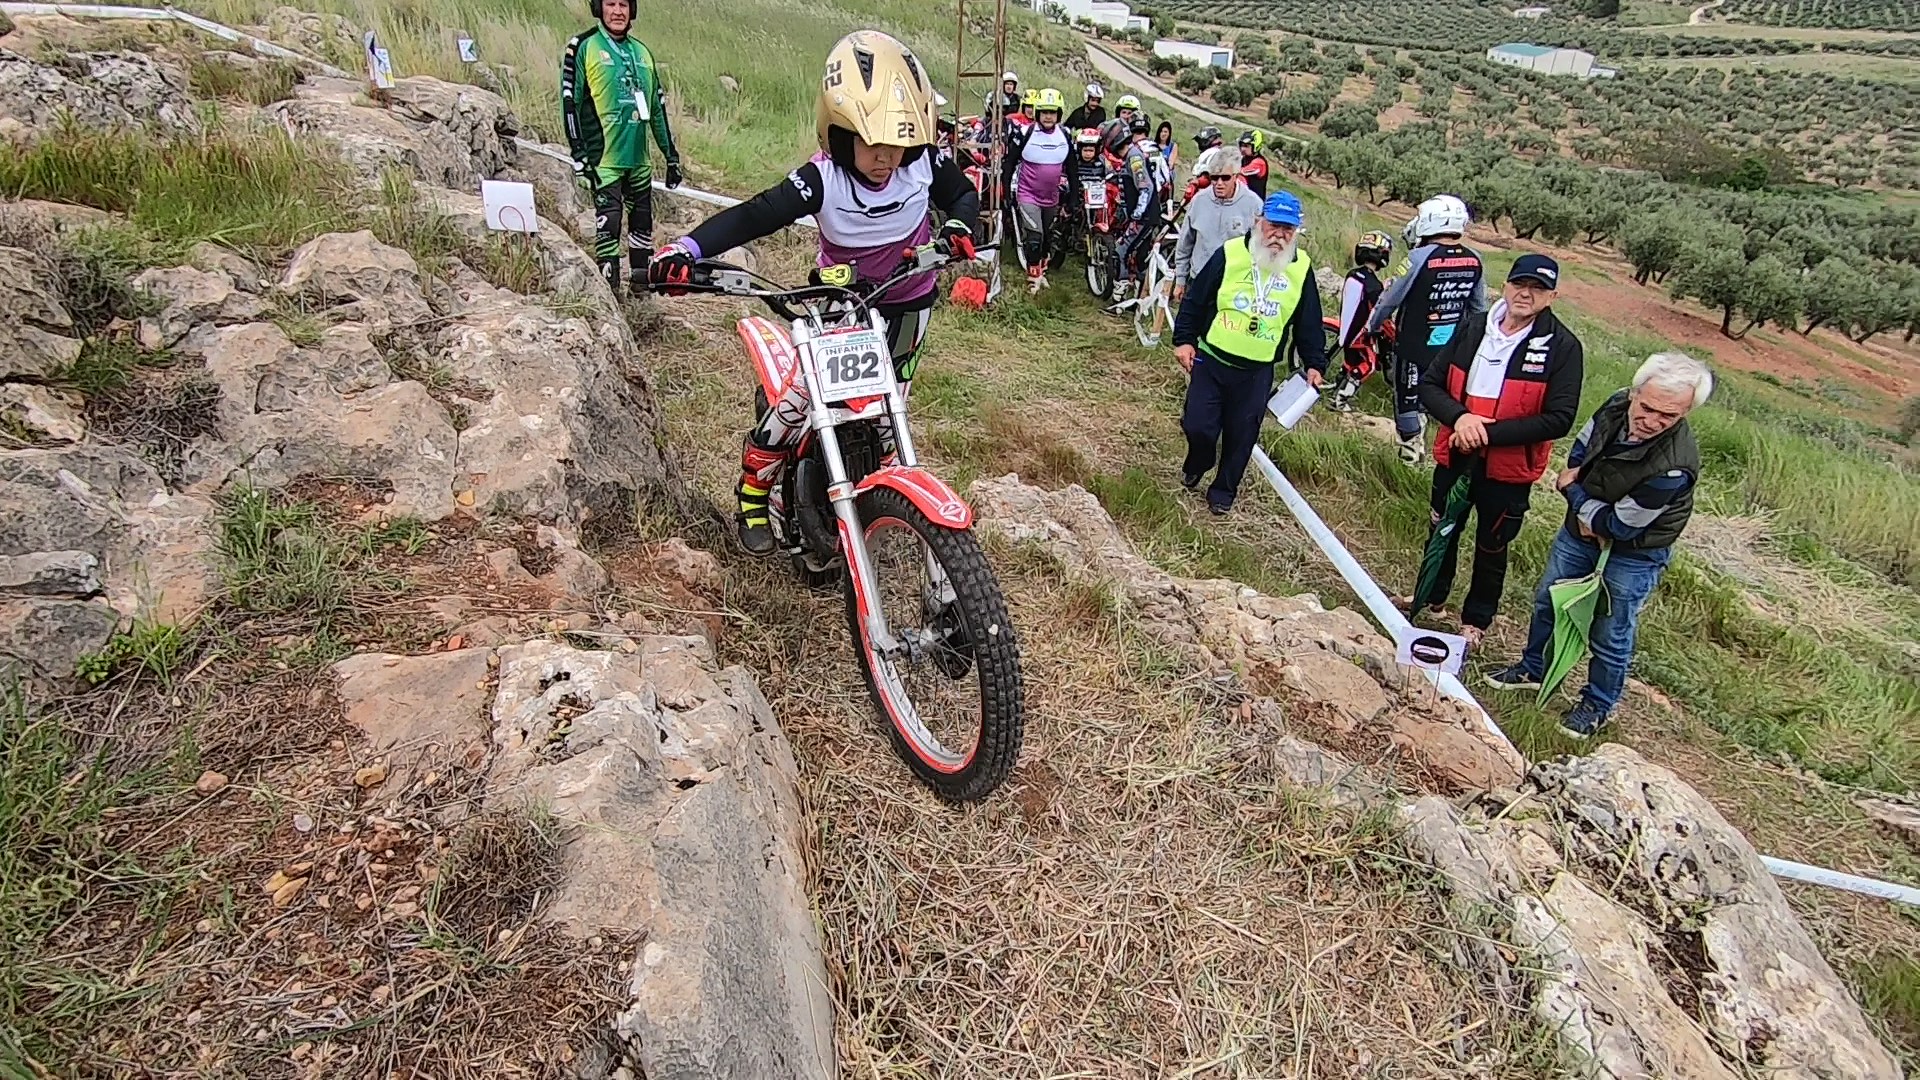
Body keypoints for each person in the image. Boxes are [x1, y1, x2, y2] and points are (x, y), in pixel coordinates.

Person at [648, 30, 979, 555]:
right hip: (839, 307)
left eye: (897, 143)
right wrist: (686, 250)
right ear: (840, 132)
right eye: (871, 142)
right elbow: (757, 214)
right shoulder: (823, 179)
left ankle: (881, 500)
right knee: (799, 403)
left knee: (891, 414)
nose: (886, 158)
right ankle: (754, 490)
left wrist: (960, 228)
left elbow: (962, 193)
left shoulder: (923, 162)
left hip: (909, 304)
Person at [1485, 353, 1712, 738]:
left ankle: (1597, 704)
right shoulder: (1616, 402)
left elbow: (1618, 527)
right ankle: (1533, 669)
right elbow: (1582, 447)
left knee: (1610, 631)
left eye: (1669, 416)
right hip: (1581, 529)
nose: (1652, 421)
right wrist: (1587, 507)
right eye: (1647, 407)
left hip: (1635, 554)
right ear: (1635, 392)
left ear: (1686, 412)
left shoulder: (1673, 467)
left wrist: (1574, 492)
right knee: (1550, 598)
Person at [1407, 254, 1583, 649]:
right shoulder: (1472, 327)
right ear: (1505, 285)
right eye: (1520, 284)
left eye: (1538, 288)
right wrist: (1462, 419)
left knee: (1493, 544)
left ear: (1552, 295)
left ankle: (1476, 620)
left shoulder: (1563, 347)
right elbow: (1432, 384)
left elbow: (1559, 418)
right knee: (1441, 529)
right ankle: (1430, 598)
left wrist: (1486, 433)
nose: (1526, 293)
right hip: (1456, 452)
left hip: (1508, 469)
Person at [1171, 191, 1327, 515]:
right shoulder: (1229, 254)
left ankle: (1222, 492)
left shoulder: (1301, 268)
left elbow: (1309, 321)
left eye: (1288, 229)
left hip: (1257, 372)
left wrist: (1314, 363)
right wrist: (1184, 340)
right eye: (1273, 226)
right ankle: (1199, 460)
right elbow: (1196, 300)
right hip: (1212, 359)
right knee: (1198, 426)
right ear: (1259, 222)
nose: (1279, 235)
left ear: (1296, 232)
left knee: (1242, 437)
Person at [561, 0, 684, 295]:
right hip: (604, 161)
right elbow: (570, 103)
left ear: (632, 10)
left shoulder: (642, 52)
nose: (617, 11)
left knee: (642, 227)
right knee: (610, 225)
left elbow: (657, 110)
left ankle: (640, 294)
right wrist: (579, 154)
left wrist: (671, 157)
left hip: (639, 162)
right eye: (610, 4)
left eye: (623, 5)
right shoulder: (583, 46)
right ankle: (610, 296)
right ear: (598, 8)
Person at [1367, 194, 1485, 465]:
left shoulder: (1417, 258)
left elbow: (1390, 299)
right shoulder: (1474, 259)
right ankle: (1437, 453)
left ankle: (1410, 454)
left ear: (1432, 221)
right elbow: (1479, 308)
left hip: (1413, 344)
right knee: (1436, 394)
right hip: (1451, 347)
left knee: (1407, 397)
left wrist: (1372, 325)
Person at [1172, 146, 1260, 306]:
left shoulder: (1254, 205)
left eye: (1225, 178)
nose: (1219, 183)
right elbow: (1185, 244)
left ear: (1236, 176)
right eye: (1214, 178)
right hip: (1198, 281)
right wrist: (1180, 280)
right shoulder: (1199, 201)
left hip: (1233, 287)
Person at [1007, 87, 1072, 292]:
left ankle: (1041, 271)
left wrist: (1073, 198)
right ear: (1037, 113)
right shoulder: (1025, 133)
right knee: (1034, 237)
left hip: (1051, 197)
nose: (1048, 117)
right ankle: (1032, 278)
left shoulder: (1065, 136)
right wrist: (1004, 190)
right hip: (1028, 194)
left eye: (1052, 112)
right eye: (1044, 112)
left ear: (1058, 114)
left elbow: (1073, 169)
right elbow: (1009, 164)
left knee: (1047, 238)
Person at [1330, 229, 1394, 413]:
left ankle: (1337, 384)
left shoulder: (1353, 274)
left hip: (1347, 329)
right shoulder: (1374, 286)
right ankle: (1341, 400)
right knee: (1367, 366)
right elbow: (1378, 312)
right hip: (1361, 335)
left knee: (1350, 362)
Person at [1107, 115, 1165, 307]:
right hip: (1146, 215)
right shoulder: (1133, 156)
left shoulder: (1134, 157)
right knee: (1139, 257)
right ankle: (1139, 298)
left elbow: (1145, 187)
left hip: (1145, 216)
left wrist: (1137, 214)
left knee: (1120, 250)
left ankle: (1120, 295)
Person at [1098, 95, 1142, 161]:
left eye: (1130, 113)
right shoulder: (1108, 127)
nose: (1126, 116)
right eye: (1124, 112)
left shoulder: (1139, 132)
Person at [1236, 130, 1269, 199]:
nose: (1242, 149)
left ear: (1255, 146)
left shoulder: (1259, 162)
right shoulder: (1244, 158)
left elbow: (1242, 172)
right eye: (1241, 145)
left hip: (1255, 203)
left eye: (1246, 146)